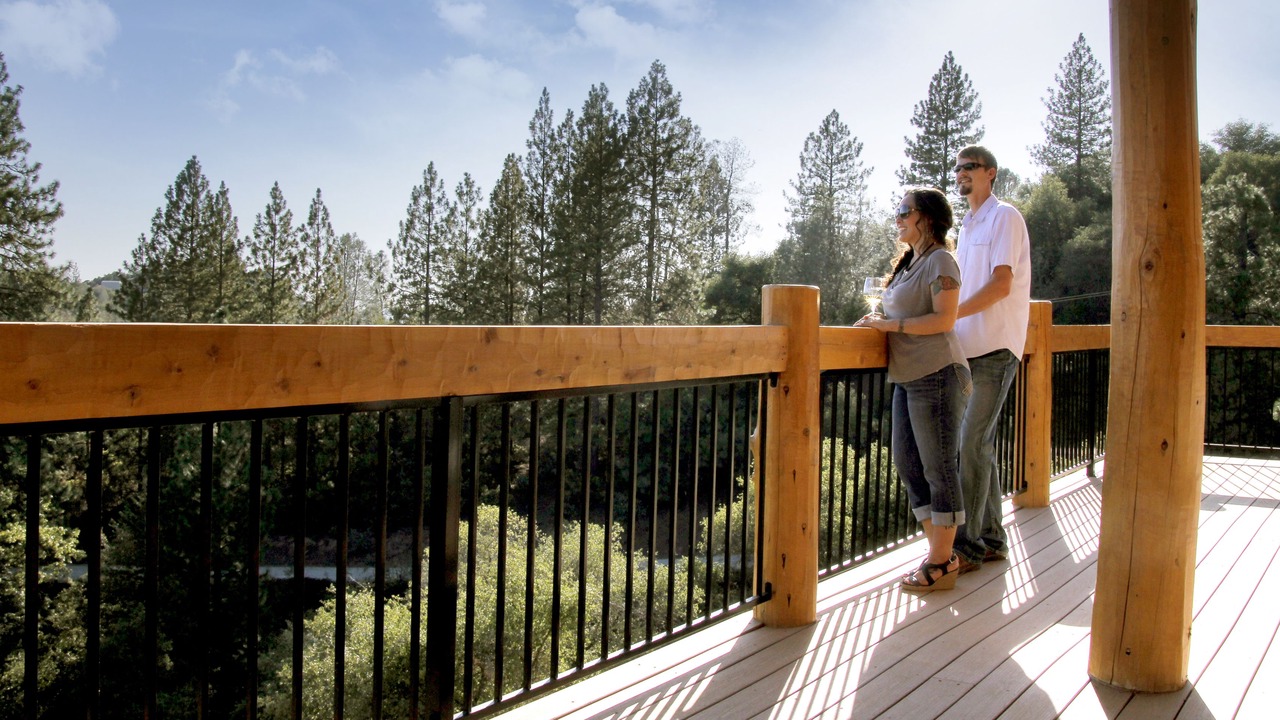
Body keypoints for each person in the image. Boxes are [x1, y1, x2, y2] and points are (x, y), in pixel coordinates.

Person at [857, 187, 971, 592]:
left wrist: (889, 325)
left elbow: (944, 320)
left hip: (938, 373)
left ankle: (940, 563)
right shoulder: (910, 263)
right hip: (907, 377)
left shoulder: (941, 260)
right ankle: (942, 554)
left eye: (905, 211)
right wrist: (874, 324)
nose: (898, 218)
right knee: (908, 464)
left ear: (928, 218)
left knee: (939, 468)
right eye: (898, 211)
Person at [950, 145, 1032, 573]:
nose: (961, 173)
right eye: (958, 168)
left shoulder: (1005, 217)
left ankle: (966, 548)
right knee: (978, 444)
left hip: (997, 348)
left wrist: (949, 315)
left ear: (991, 173)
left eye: (970, 167)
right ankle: (993, 540)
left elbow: (1002, 285)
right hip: (966, 351)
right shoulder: (966, 226)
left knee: (971, 444)